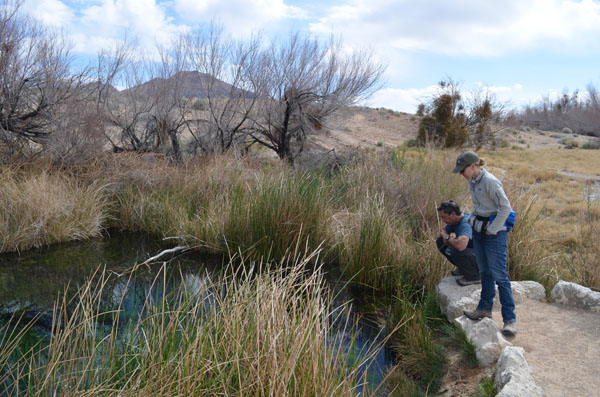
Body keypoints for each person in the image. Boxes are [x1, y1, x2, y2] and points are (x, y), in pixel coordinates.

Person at [452, 151, 517, 337]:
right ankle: (484, 309)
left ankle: (510, 320)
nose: (461, 174)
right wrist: (472, 218)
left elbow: (505, 208)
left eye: (462, 170)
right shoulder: (473, 182)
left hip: (493, 234)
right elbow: (479, 206)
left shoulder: (490, 181)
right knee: (485, 272)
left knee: (500, 276)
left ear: (473, 166)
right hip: (480, 229)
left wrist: (494, 229)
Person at [436, 200, 481, 286]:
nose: (443, 220)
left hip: (485, 258)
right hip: (474, 252)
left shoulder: (465, 223)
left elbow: (461, 246)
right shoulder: (454, 221)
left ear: (453, 214)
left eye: (444, 217)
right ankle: (465, 268)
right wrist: (446, 237)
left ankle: (474, 277)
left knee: (456, 250)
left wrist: (447, 237)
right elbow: (444, 231)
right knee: (440, 242)